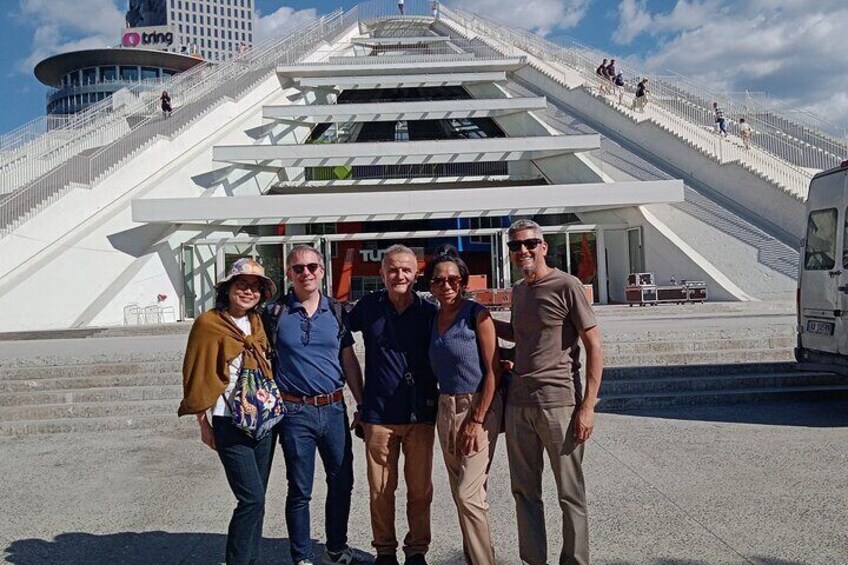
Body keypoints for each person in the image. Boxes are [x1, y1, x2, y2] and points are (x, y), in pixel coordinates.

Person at [493, 219, 604, 565]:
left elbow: (594, 346)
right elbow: (522, 334)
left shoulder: (566, 285)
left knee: (570, 493)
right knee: (525, 492)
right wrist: (478, 318)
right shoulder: (520, 290)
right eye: (515, 246)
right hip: (519, 403)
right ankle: (533, 560)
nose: (522, 250)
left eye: (528, 243)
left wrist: (588, 406)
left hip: (559, 402)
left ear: (543, 246)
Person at [178, 257, 278, 565]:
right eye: (242, 285)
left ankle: (252, 559)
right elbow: (195, 372)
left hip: (262, 418)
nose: (248, 292)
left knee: (258, 498)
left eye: (255, 288)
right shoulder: (209, 324)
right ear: (228, 288)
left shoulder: (260, 324)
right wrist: (203, 423)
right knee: (250, 498)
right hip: (228, 419)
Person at [272, 245, 365, 565]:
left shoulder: (337, 311)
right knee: (299, 488)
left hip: (335, 407)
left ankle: (336, 547)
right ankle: (301, 557)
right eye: (298, 268)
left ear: (322, 271)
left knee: (342, 481)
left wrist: (362, 404)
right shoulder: (275, 313)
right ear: (289, 274)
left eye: (312, 266)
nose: (306, 272)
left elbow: (349, 361)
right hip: (294, 411)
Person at [347, 244, 439, 565]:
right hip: (379, 414)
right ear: (382, 273)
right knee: (381, 490)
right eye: (392, 269)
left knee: (420, 490)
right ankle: (384, 550)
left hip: (421, 413)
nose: (399, 275)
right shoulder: (368, 307)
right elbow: (338, 334)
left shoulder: (430, 312)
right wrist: (359, 399)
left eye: (406, 270)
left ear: (416, 274)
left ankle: (416, 550)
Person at [424, 246, 502, 565]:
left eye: (453, 279)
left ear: (463, 281)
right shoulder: (432, 317)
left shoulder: (476, 314)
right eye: (439, 280)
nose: (447, 285)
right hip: (446, 405)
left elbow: (493, 370)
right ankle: (477, 557)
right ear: (430, 284)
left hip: (477, 405)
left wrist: (476, 419)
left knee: (469, 495)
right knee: (463, 494)